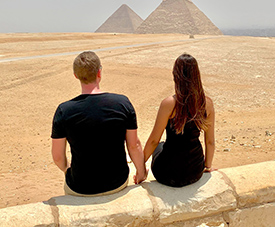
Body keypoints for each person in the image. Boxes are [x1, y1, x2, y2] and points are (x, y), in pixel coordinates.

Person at [51, 51, 147, 196]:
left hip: (80, 186)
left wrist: (68, 170)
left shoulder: (64, 110)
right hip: (117, 183)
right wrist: (141, 172)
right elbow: (134, 145)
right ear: (99, 73)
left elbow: (58, 157)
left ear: (76, 76)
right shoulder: (122, 103)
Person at [143, 53, 215, 187]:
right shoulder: (207, 103)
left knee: (160, 145)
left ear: (176, 75)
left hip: (167, 174)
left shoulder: (169, 104)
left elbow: (154, 141)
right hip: (195, 172)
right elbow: (210, 141)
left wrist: (141, 169)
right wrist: (207, 166)